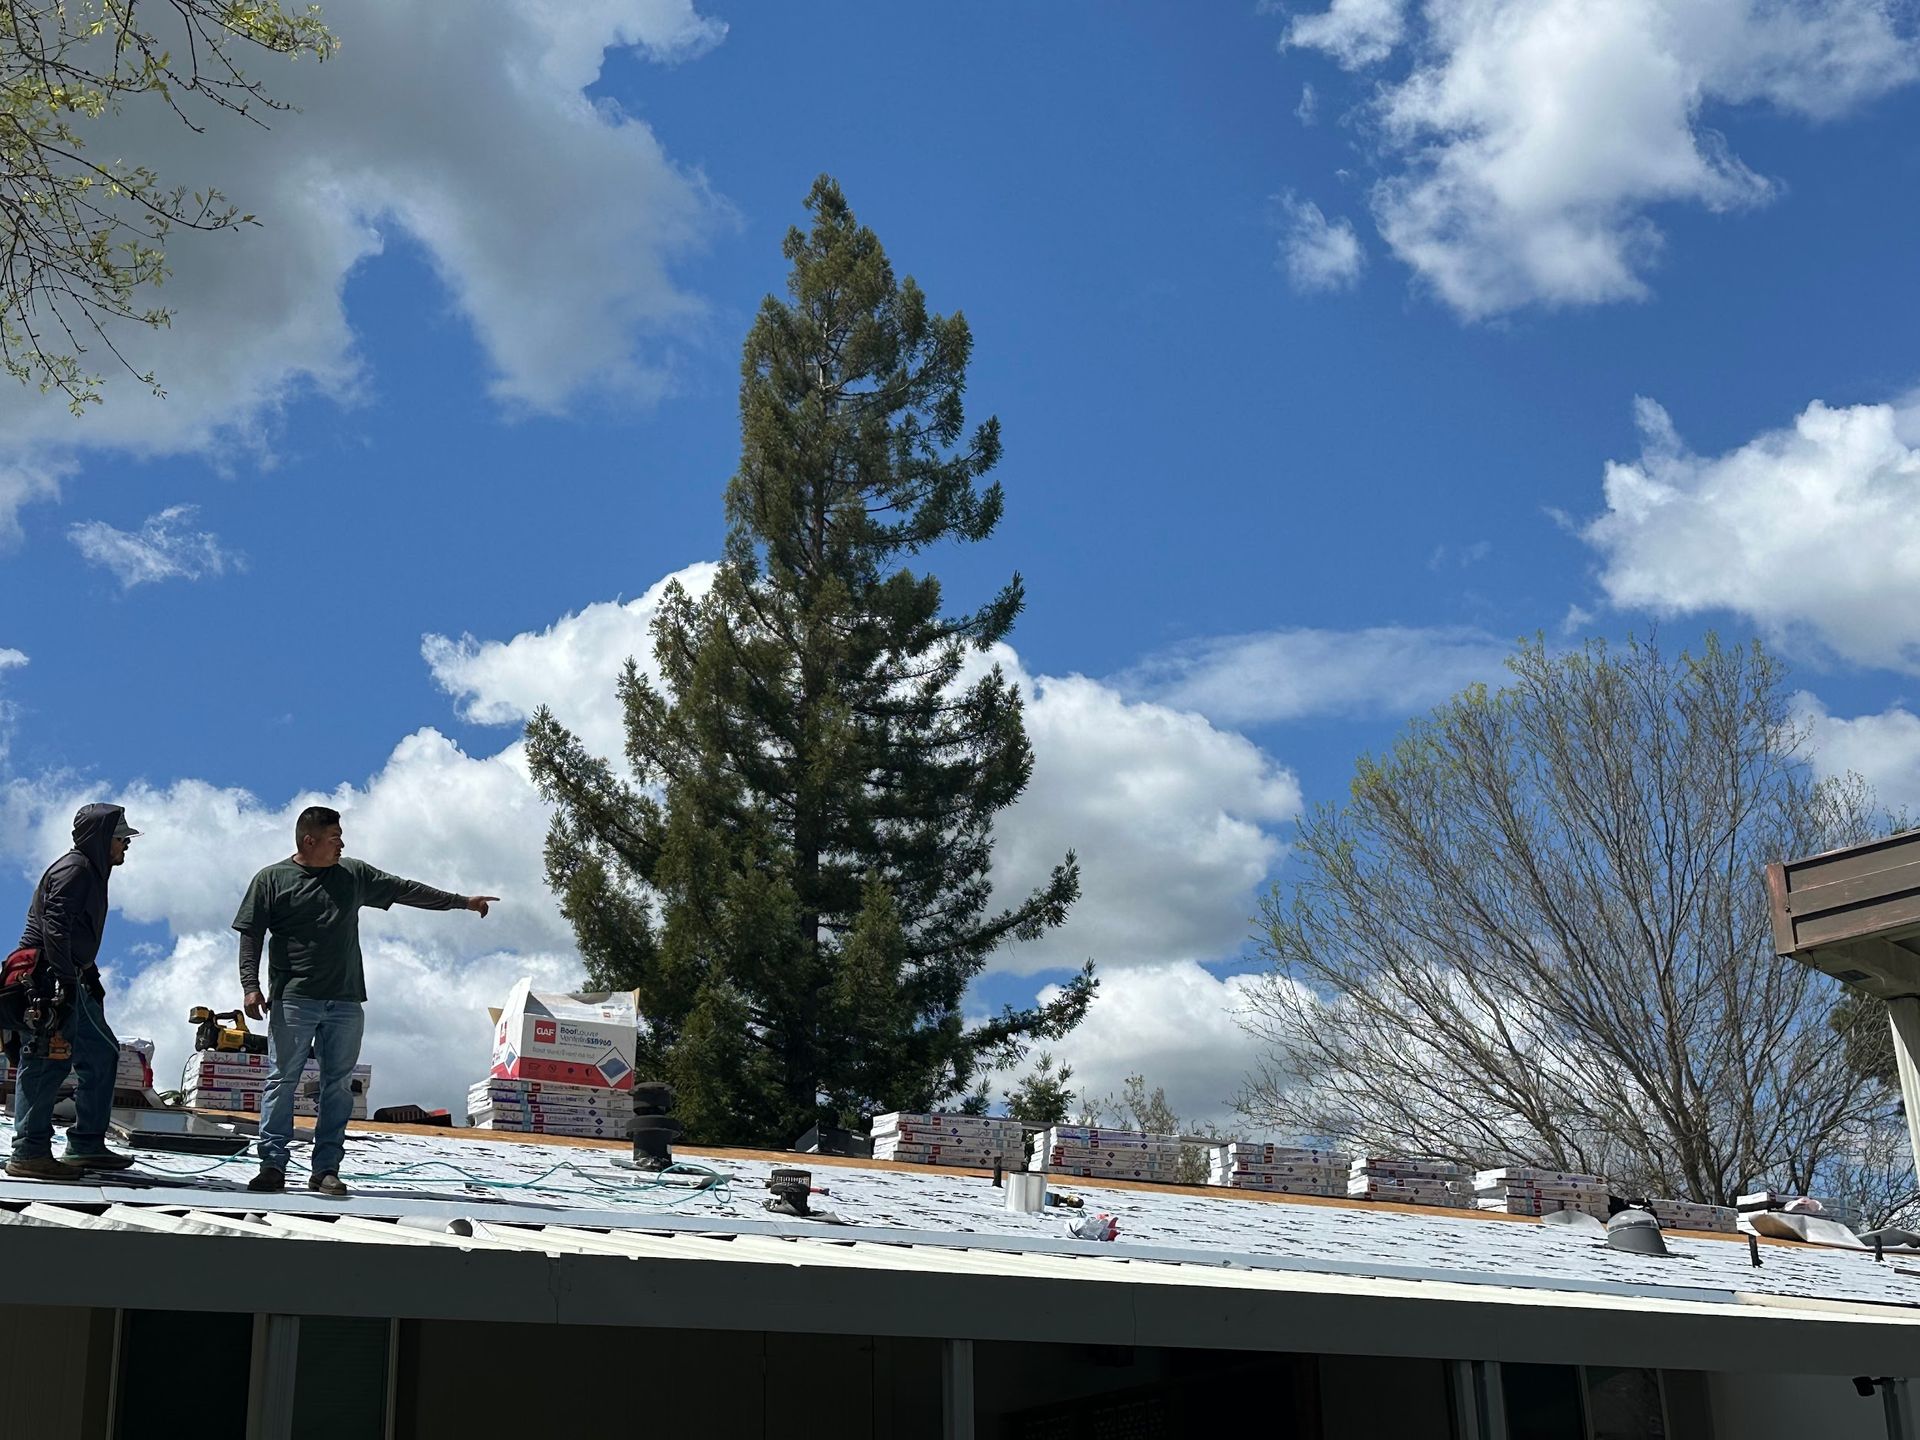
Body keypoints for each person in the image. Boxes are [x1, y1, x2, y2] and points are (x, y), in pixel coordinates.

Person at [233, 805, 497, 1196]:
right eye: (334, 837)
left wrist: (462, 901)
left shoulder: (352, 875)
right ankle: (272, 1165)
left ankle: (325, 1169)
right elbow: (251, 934)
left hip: (344, 1002)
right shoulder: (272, 880)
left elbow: (406, 889)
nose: (342, 843)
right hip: (293, 1000)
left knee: (337, 1086)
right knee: (282, 1082)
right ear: (309, 841)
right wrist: (250, 985)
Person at [6, 803, 140, 1180]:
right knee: (47, 1058)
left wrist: (86, 974)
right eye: (121, 839)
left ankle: (85, 1144)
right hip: (49, 980)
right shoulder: (76, 870)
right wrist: (64, 981)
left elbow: (71, 930)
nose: (126, 846)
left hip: (68, 977)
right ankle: (29, 1153)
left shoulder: (90, 871)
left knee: (100, 1054)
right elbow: (55, 926)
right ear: (101, 840)